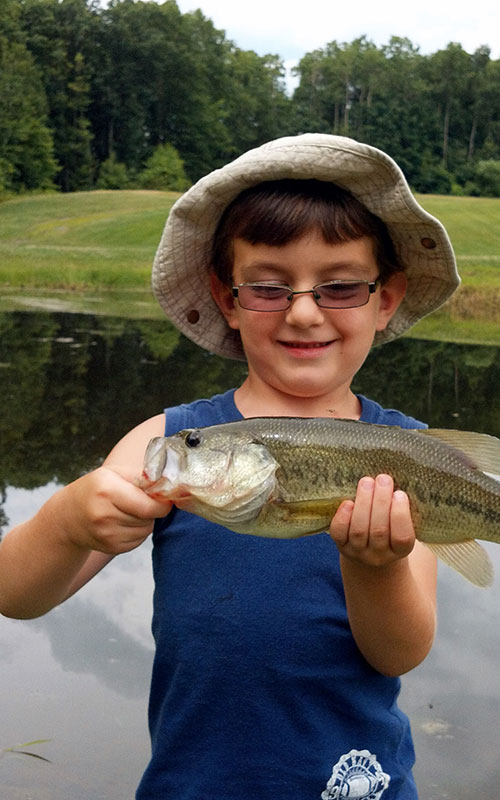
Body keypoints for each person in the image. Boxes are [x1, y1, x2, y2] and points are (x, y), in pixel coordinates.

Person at [0, 134, 460, 799]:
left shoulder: (409, 451)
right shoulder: (172, 440)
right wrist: (68, 522)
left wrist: (373, 565)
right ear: (228, 298)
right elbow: (14, 595)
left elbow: (398, 654)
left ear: (384, 299)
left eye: (338, 287)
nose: (303, 312)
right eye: (269, 288)